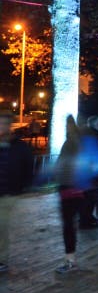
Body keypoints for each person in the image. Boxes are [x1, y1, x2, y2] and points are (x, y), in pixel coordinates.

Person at [53, 115, 98, 273]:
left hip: (72, 188)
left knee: (69, 224)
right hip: (74, 187)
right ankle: (70, 259)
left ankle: (70, 259)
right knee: (69, 223)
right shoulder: (84, 140)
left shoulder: (76, 142)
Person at [0, 112, 34, 273]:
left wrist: (23, 185)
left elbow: (27, 166)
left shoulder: (18, 146)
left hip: (8, 193)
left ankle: (2, 259)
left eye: (4, 124)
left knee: (2, 225)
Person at [79, 115, 98, 228]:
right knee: (90, 197)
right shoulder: (93, 136)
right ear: (95, 124)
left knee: (91, 197)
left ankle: (88, 217)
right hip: (92, 174)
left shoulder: (90, 135)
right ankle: (85, 220)